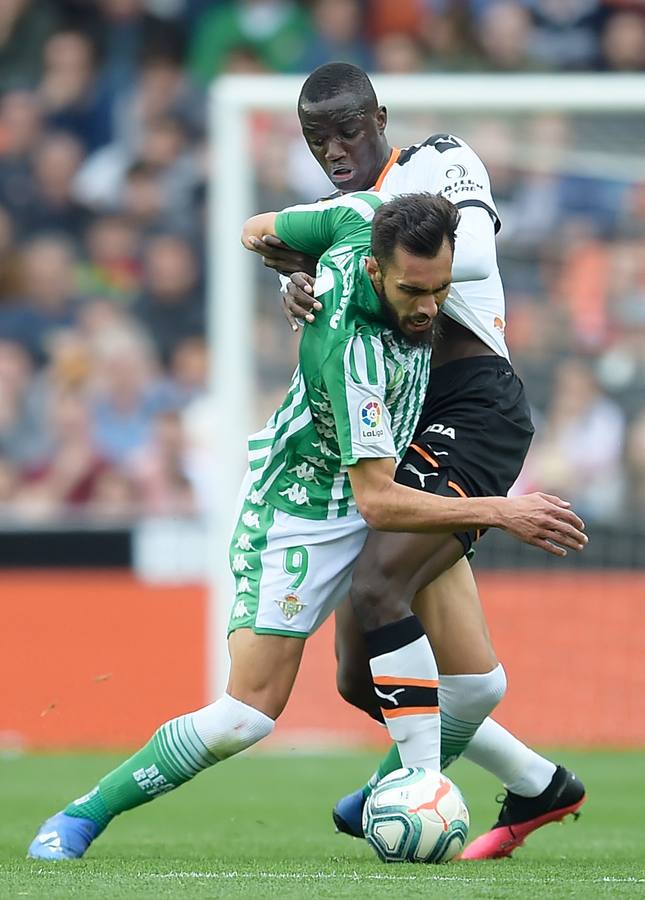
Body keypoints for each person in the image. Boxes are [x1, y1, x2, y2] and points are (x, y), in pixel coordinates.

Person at [28, 190, 586, 860]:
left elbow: (255, 226)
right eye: (413, 291)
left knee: (474, 685)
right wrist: (501, 509)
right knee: (247, 716)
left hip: (386, 475)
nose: (428, 309)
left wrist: (288, 270)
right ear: (376, 273)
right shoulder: (352, 349)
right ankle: (84, 814)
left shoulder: (356, 221)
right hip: (301, 507)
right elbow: (377, 504)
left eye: (439, 289)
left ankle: (438, 784)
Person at [252, 62, 587, 860]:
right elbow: (300, 261)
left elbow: (464, 256)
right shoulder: (342, 219)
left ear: (381, 118)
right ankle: (539, 784)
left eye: (348, 131)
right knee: (354, 674)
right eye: (316, 140)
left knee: (376, 585)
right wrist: (298, 286)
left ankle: (415, 786)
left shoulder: (439, 159)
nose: (334, 151)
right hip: (398, 421)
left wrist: (339, 250)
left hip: (475, 404)